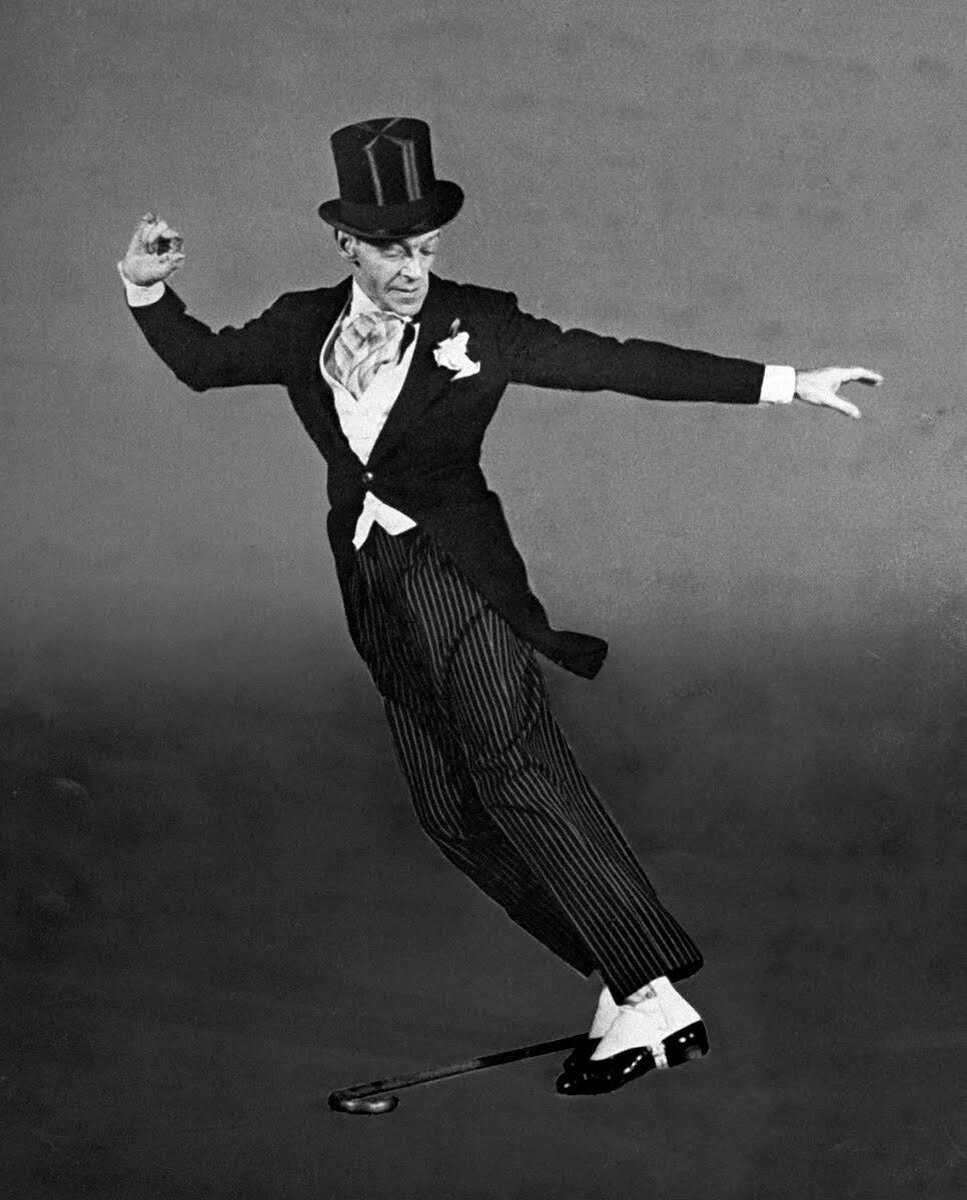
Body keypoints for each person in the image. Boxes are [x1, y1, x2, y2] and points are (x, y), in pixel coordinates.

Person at [118, 116, 882, 1097]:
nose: (412, 270)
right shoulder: (301, 322)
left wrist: (782, 383)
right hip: (372, 581)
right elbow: (204, 362)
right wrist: (145, 288)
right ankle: (630, 985)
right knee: (448, 812)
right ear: (346, 243)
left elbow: (614, 363)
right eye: (391, 251)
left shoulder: (479, 323)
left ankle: (649, 992)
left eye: (426, 249)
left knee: (515, 768)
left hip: (459, 574)